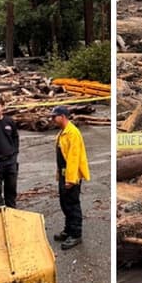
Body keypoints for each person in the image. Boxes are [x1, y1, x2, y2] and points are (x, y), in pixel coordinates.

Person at [51, 106, 89, 250]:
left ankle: (76, 234)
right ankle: (68, 230)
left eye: (54, 117)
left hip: (71, 176)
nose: (52, 119)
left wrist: (71, 179)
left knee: (72, 205)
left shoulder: (73, 133)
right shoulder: (63, 132)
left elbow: (74, 158)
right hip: (64, 174)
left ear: (62, 116)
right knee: (65, 203)